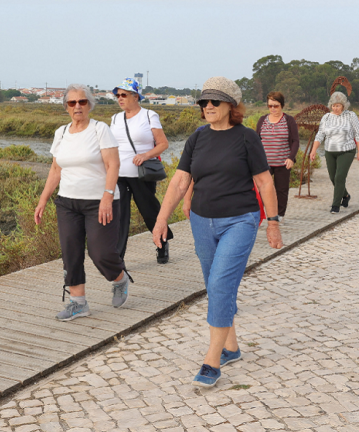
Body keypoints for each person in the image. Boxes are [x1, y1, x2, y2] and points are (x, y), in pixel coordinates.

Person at [152, 77, 283, 388]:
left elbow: (264, 182)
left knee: (221, 283)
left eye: (214, 101)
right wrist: (161, 219)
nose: (208, 106)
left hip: (240, 220)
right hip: (201, 221)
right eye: (204, 101)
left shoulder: (247, 138)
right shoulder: (197, 138)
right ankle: (231, 347)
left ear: (231, 105)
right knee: (214, 285)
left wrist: (273, 222)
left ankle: (212, 361)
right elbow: (180, 181)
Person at [34, 84, 130, 321]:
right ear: (66, 107)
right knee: (71, 252)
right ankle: (78, 303)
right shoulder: (61, 133)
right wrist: (43, 200)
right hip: (67, 202)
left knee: (101, 253)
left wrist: (107, 196)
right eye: (72, 102)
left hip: (99, 201)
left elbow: (113, 165)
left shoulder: (100, 129)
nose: (77, 106)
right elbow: (55, 169)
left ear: (89, 105)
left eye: (82, 102)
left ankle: (119, 278)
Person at [109, 77, 173, 265]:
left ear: (135, 96)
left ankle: (162, 243)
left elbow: (163, 144)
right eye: (117, 95)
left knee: (149, 211)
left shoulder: (149, 116)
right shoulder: (115, 118)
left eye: (124, 95)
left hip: (142, 174)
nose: (120, 98)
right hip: (119, 175)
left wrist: (145, 155)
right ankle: (118, 258)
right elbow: (111, 146)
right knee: (119, 216)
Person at [309, 92, 359, 213]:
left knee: (339, 177)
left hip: (346, 150)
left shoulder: (350, 116)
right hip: (330, 151)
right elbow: (320, 135)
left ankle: (335, 205)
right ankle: (345, 195)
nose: (335, 108)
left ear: (343, 105)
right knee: (333, 178)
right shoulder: (326, 117)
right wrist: (313, 150)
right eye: (333, 105)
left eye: (338, 105)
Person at [256, 91, 300, 220]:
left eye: (276, 106)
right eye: (270, 106)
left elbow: (295, 141)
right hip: (264, 164)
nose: (273, 109)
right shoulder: (262, 120)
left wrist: (291, 158)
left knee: (281, 190)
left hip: (282, 162)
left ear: (282, 105)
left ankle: (279, 215)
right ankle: (258, 215)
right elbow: (256, 141)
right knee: (260, 189)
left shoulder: (289, 120)